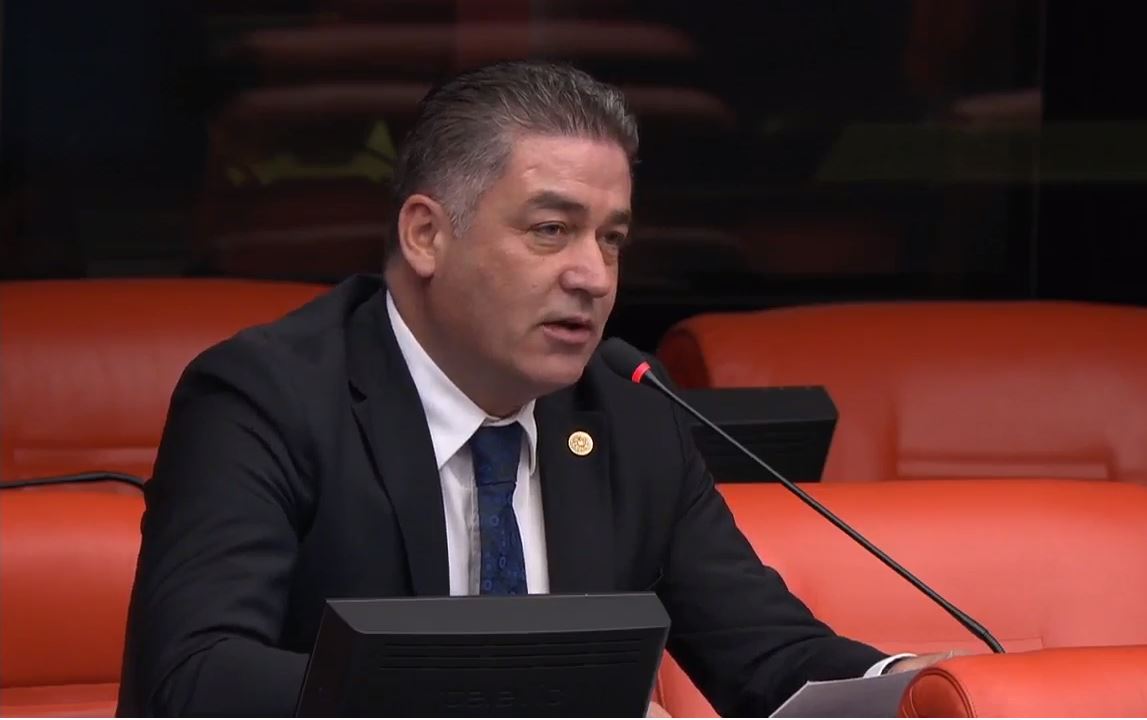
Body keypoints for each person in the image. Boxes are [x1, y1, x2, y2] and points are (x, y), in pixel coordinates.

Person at [117, 61, 957, 717]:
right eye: (551, 230)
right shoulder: (266, 397)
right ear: (425, 234)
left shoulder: (628, 406)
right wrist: (519, 699)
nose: (594, 276)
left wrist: (923, 689)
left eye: (612, 238)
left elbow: (768, 660)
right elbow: (191, 680)